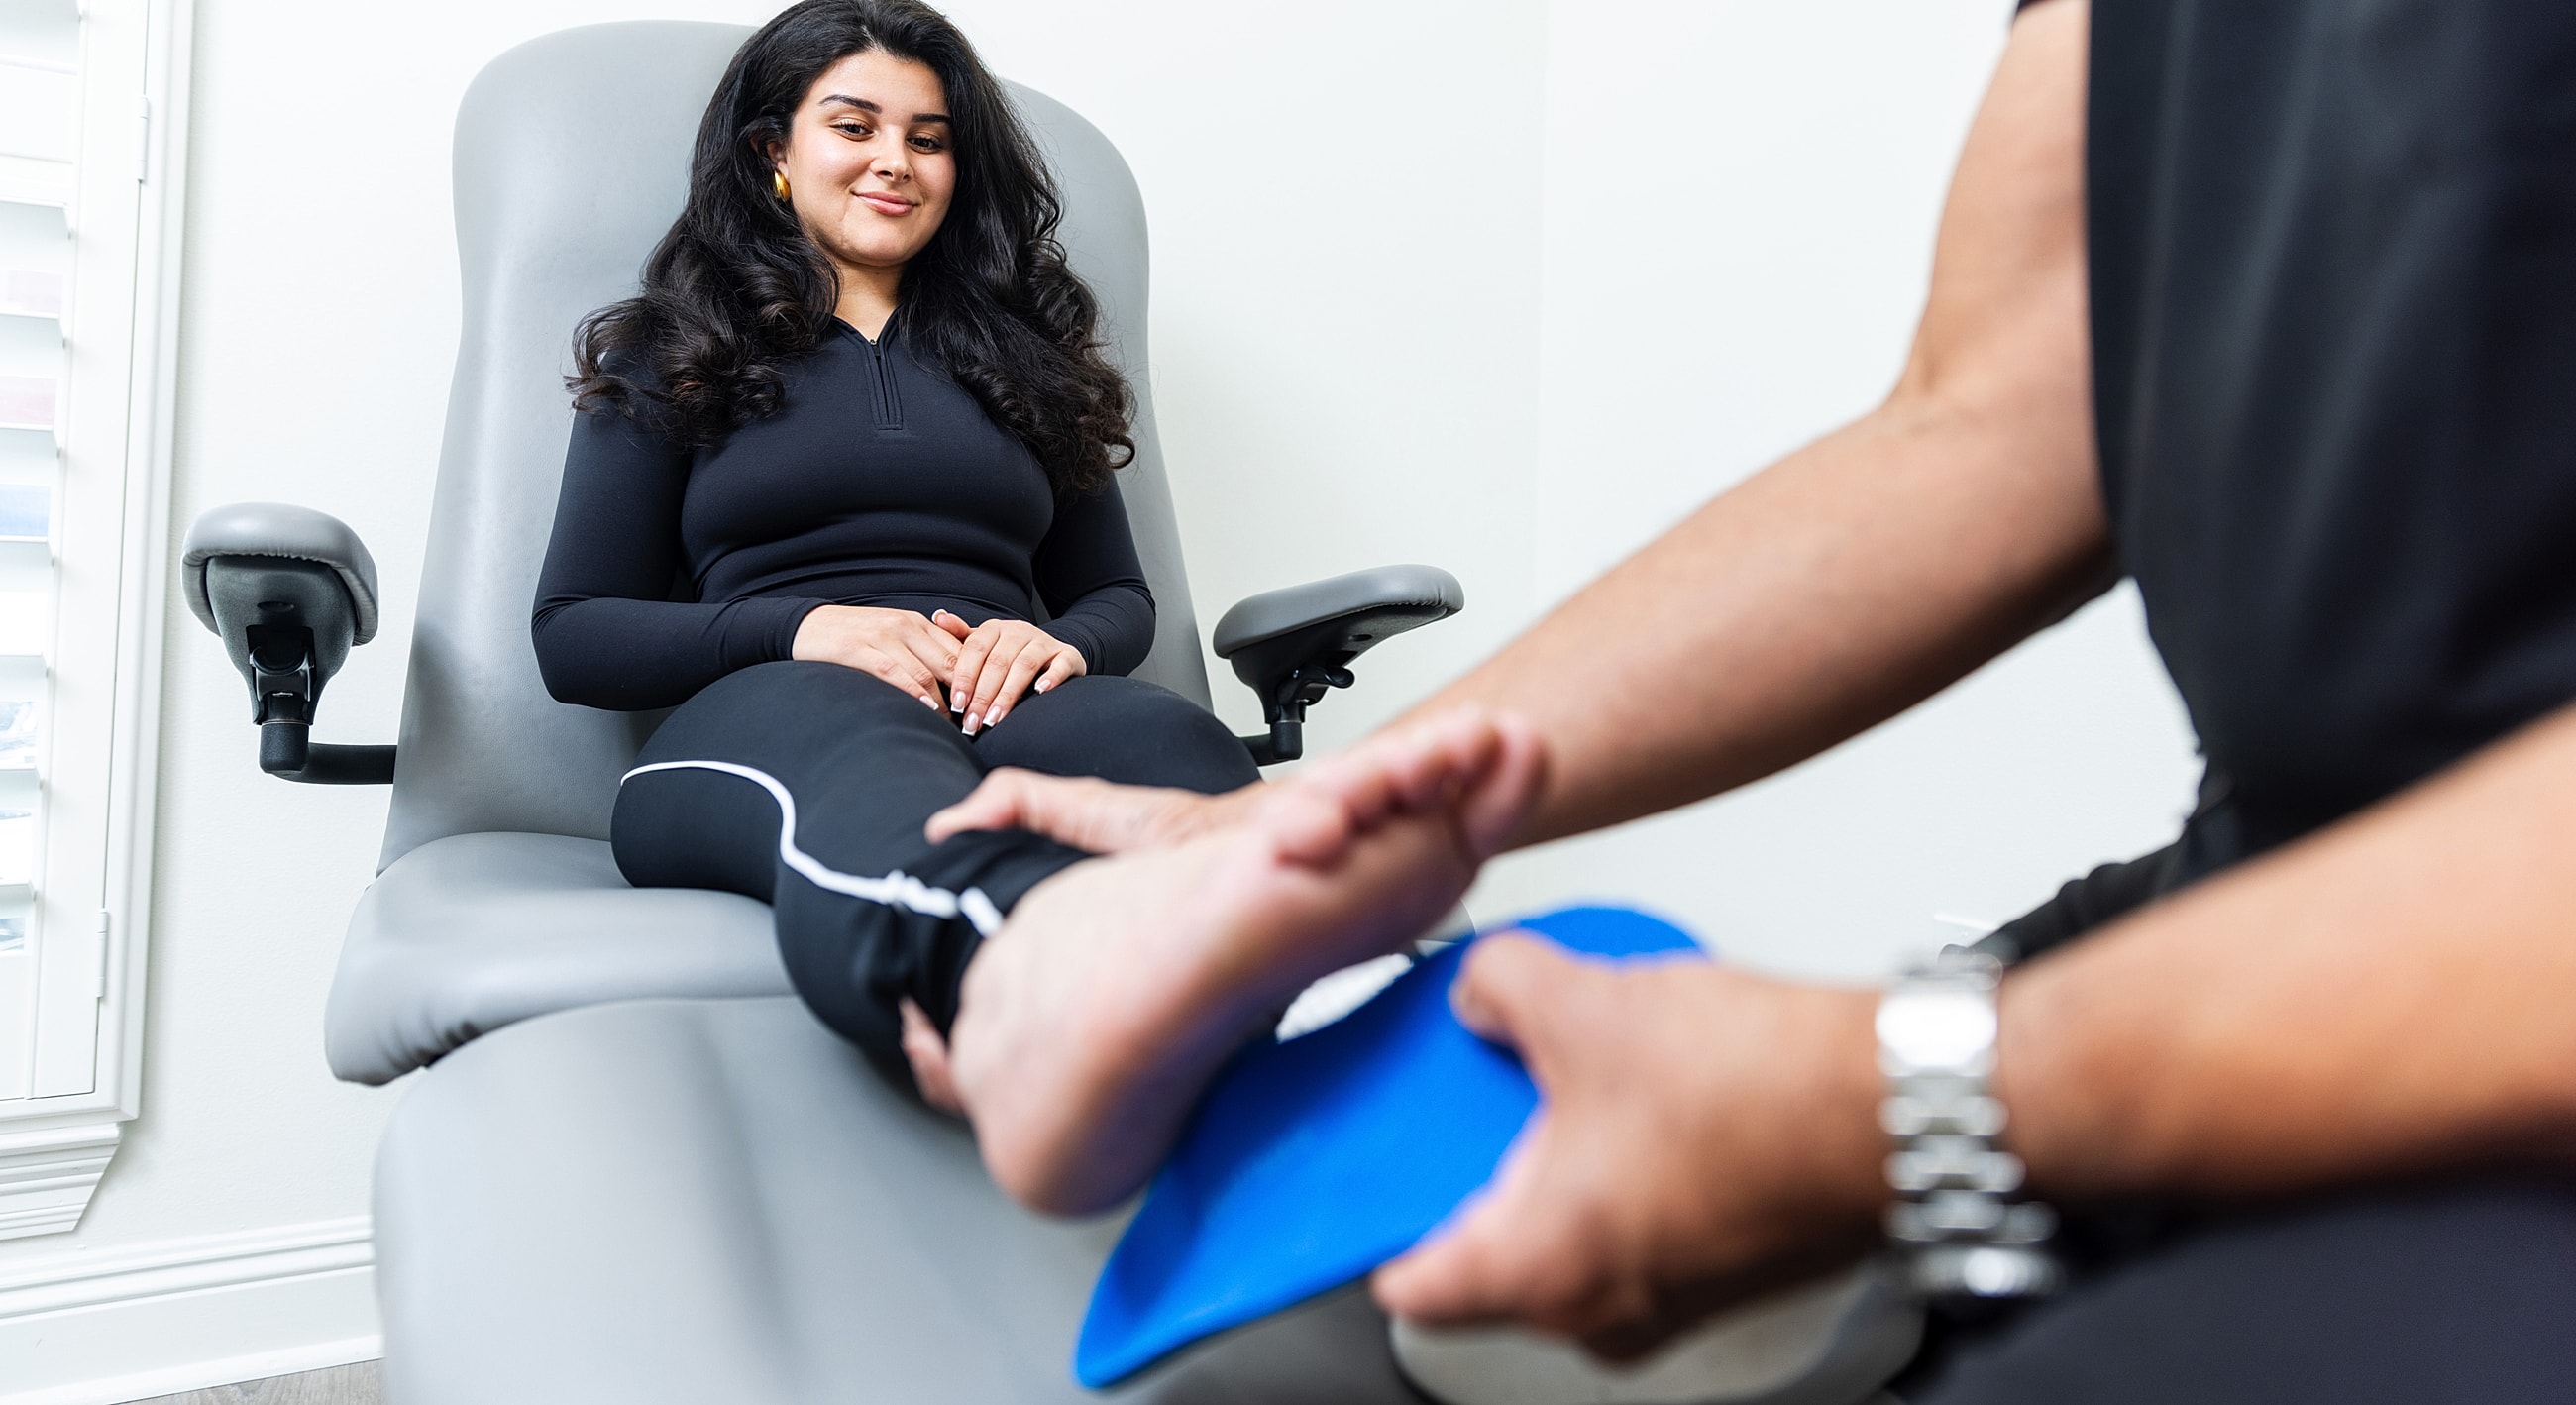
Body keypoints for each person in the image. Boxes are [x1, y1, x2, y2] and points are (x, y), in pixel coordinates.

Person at [907, 0, 2576, 1398]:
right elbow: (1995, 413)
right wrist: (1299, 828)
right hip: (2271, 892)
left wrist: (1889, 1099)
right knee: (1370, 1335)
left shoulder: (1017, 367)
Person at [529, 0, 1258, 1075]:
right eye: (854, 126)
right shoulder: (671, 345)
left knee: (1179, 754)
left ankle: (1334, 1011)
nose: (895, 162)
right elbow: (573, 633)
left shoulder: (1025, 354)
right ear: (773, 150)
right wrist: (804, 627)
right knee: (888, 792)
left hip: (1004, 699)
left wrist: (1063, 644)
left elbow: (1115, 594)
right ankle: (1028, 1030)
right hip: (778, 705)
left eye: (928, 138)